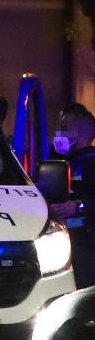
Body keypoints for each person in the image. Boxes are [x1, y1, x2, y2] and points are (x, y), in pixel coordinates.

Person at [50, 103, 95, 288]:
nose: (59, 134)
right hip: (70, 240)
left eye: (64, 129)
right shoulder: (68, 162)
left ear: (78, 132)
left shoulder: (91, 161)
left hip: (88, 242)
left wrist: (77, 207)